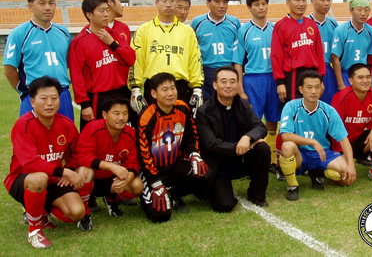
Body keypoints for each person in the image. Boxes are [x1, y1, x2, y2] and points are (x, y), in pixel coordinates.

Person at [4, 77, 85, 248]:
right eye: (44, 98)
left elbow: (77, 153)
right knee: (39, 177)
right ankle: (34, 230)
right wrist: (65, 172)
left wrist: (69, 168)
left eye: (54, 98)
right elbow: (30, 164)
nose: (49, 103)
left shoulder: (66, 124)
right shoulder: (23, 125)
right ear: (32, 102)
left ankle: (42, 211)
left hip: (53, 179)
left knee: (77, 213)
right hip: (23, 179)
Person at [195, 66, 271, 211]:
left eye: (233, 81)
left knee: (263, 148)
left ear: (237, 84)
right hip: (218, 164)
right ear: (215, 85)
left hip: (241, 160)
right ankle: (215, 188)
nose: (228, 86)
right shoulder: (204, 111)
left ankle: (256, 194)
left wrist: (248, 137)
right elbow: (211, 145)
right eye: (224, 82)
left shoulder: (242, 104)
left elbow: (260, 127)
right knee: (225, 205)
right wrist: (242, 146)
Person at [136, 73, 208, 223]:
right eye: (164, 89)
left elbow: (190, 136)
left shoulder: (182, 108)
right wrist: (155, 182)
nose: (170, 93)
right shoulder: (146, 118)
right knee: (161, 216)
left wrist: (194, 154)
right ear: (153, 93)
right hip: (153, 171)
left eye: (173, 88)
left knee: (203, 173)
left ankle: (173, 193)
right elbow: (144, 155)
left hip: (174, 165)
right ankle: (149, 195)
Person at [278, 70, 356, 200]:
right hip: (301, 154)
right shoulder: (291, 106)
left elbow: (343, 139)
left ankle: (318, 172)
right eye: (309, 87)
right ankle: (293, 186)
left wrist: (351, 165)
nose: (313, 91)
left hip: (322, 154)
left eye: (317, 87)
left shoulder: (328, 110)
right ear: (301, 89)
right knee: (287, 146)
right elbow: (285, 135)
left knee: (345, 179)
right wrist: (313, 142)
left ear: (321, 89)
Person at [128, 0, 204, 114]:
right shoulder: (144, 30)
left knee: (182, 130)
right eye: (164, 0)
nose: (168, 4)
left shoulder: (188, 32)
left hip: (180, 88)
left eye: (172, 0)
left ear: (176, 3)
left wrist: (197, 88)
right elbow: (135, 60)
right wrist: (135, 88)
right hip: (153, 87)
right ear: (156, 3)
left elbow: (195, 59)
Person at [3, 0, 74, 120]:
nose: (47, 7)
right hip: (34, 94)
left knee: (65, 138)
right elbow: (9, 69)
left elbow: (70, 64)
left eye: (51, 3)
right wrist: (24, 91)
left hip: (62, 94)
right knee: (33, 138)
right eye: (42, 3)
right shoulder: (19, 33)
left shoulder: (63, 32)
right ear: (31, 6)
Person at [69, 0, 136, 132]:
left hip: (121, 93)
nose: (106, 14)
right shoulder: (79, 42)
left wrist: (112, 43)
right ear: (89, 14)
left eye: (107, 10)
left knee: (124, 136)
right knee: (96, 136)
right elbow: (77, 76)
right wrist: (84, 104)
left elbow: (130, 59)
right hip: (98, 98)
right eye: (101, 11)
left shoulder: (114, 35)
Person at [232, 0, 280, 174]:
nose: (261, 7)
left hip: (273, 79)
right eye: (256, 4)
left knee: (272, 122)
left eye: (264, 3)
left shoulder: (276, 29)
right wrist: (240, 89)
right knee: (251, 122)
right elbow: (237, 62)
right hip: (253, 80)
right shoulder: (244, 31)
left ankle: (271, 161)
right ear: (249, 8)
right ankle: (248, 160)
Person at [76, 97, 143, 217]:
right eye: (116, 114)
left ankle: (112, 200)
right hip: (92, 180)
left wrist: (127, 179)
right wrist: (111, 166)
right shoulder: (92, 128)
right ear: (105, 114)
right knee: (84, 172)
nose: (121, 118)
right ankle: (85, 211)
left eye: (125, 113)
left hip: (112, 181)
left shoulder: (130, 133)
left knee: (137, 185)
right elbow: (83, 157)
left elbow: (133, 164)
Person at [331, 63, 372, 182]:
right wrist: (341, 155)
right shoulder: (341, 97)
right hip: (340, 145)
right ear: (351, 80)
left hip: (359, 141)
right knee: (344, 180)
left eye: (368, 77)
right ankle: (331, 166)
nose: (365, 81)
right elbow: (334, 130)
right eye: (360, 77)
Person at [271, 0, 326, 104]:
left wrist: (320, 79)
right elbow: (276, 56)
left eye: (304, 0)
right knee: (294, 111)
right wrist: (280, 82)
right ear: (288, 2)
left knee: (312, 110)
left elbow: (320, 54)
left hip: (312, 74)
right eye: (297, 0)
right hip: (293, 76)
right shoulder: (281, 26)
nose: (301, 4)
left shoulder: (312, 25)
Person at [191, 0, 241, 102]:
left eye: (225, 2)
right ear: (208, 3)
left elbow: (238, 51)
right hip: (206, 71)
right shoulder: (197, 22)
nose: (222, 6)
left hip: (228, 69)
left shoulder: (234, 23)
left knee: (228, 107)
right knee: (207, 109)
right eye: (217, 2)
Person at [331, 0, 372, 91]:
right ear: (351, 11)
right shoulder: (341, 31)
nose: (363, 13)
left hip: (362, 76)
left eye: (366, 10)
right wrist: (340, 84)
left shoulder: (371, 32)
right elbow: (335, 58)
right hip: (345, 74)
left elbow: (369, 57)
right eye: (359, 10)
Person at [307, 0, 339, 103]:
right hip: (309, 70)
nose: (326, 3)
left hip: (328, 70)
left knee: (330, 107)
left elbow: (336, 55)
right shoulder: (305, 23)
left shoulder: (333, 24)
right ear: (312, 1)